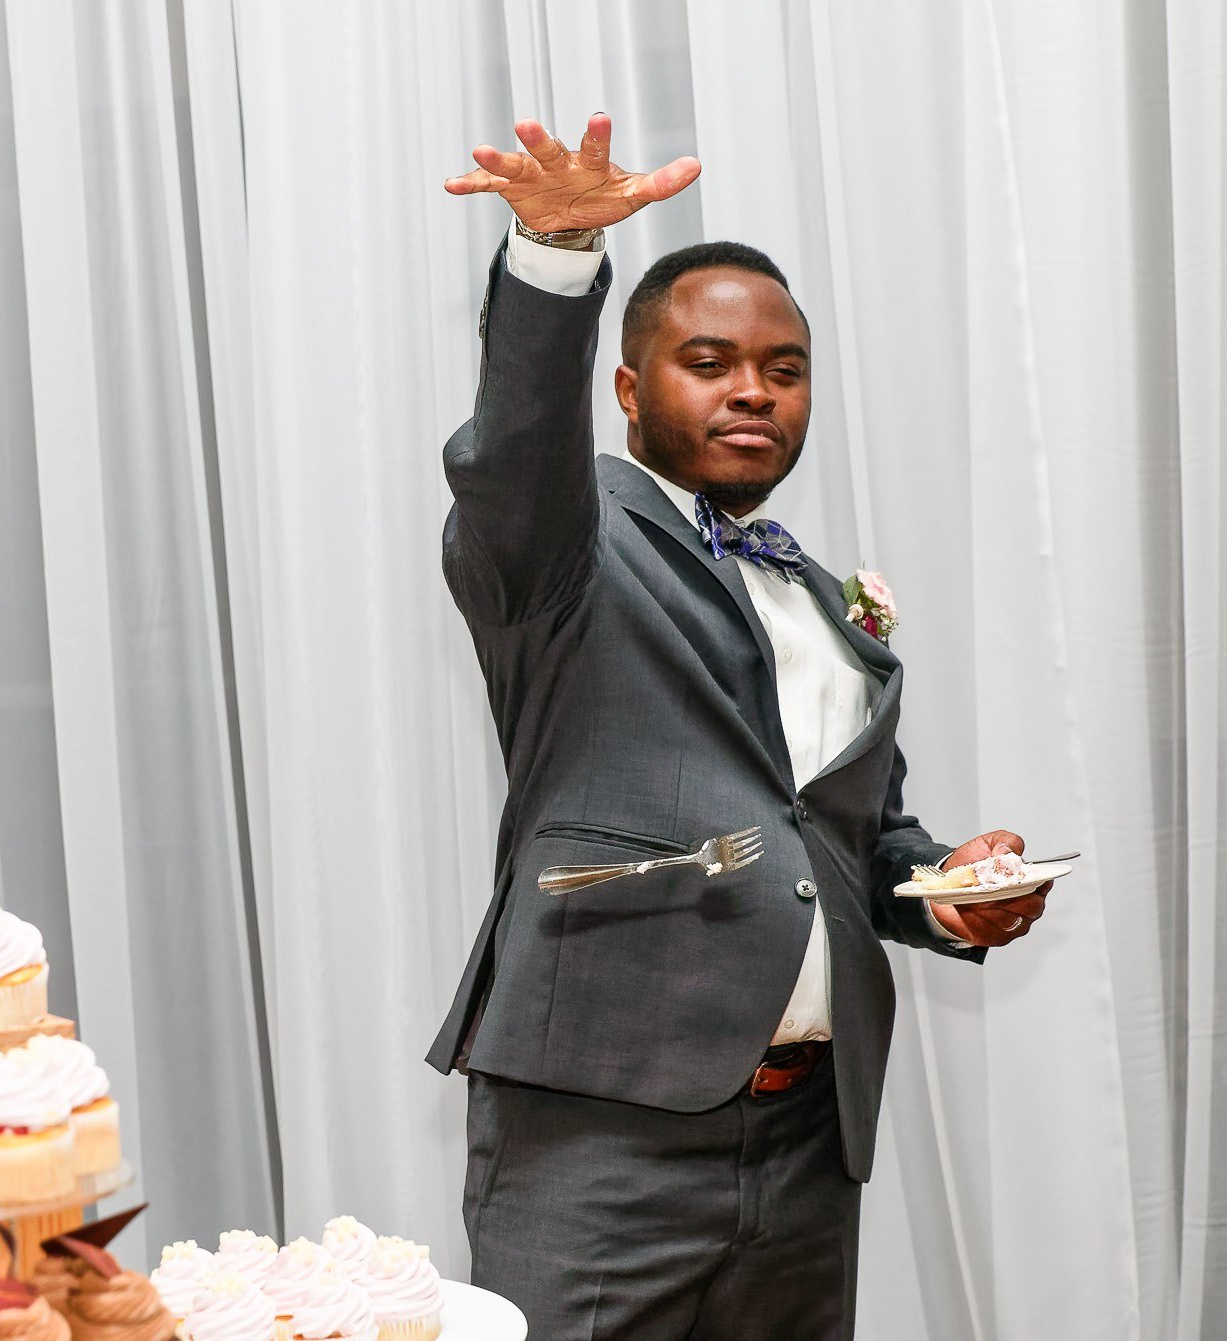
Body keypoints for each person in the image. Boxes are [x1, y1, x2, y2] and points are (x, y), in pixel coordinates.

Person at [425, 115, 1052, 1339]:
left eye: (782, 367)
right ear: (626, 387)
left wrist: (947, 886)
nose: (751, 389)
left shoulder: (826, 600)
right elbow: (508, 459)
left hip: (812, 1138)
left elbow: (850, 846)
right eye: (706, 361)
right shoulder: (561, 550)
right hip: (599, 1128)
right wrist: (551, 255)